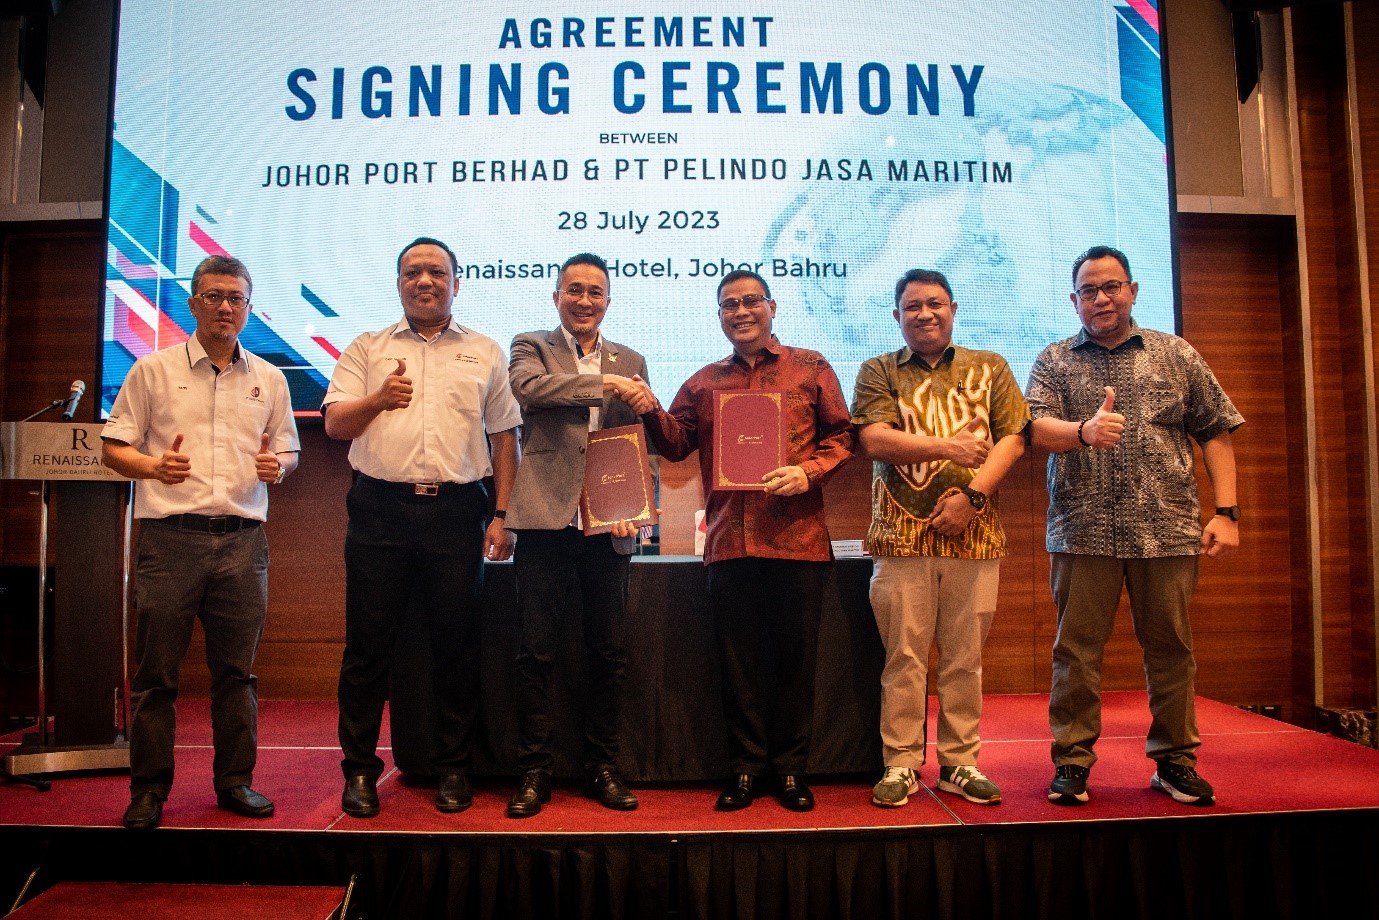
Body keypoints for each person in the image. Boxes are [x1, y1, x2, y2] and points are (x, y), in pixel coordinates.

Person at [1026, 245, 1243, 807]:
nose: (1101, 298)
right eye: (1089, 291)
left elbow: (1215, 431)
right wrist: (1084, 431)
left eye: (1111, 287)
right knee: (1075, 652)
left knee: (1171, 648)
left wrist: (1227, 512)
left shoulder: (1176, 354)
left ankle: (1175, 761)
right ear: (1074, 300)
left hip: (1167, 529)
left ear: (1133, 291)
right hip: (1082, 530)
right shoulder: (1054, 360)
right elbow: (1034, 430)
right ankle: (1072, 762)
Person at [636, 269, 854, 812]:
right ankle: (745, 769)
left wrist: (809, 472)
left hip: (798, 539)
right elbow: (675, 445)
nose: (741, 312)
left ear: (772, 307)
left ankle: (790, 770)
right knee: (737, 666)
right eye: (729, 304)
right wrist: (647, 407)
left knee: (796, 664)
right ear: (719, 316)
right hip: (730, 541)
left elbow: (843, 436)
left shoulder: (811, 367)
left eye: (751, 301)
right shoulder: (704, 382)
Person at [322, 236, 521, 818]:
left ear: (457, 283)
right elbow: (335, 425)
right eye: (413, 273)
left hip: (457, 513)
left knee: (455, 645)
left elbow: (505, 438)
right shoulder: (367, 348)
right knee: (367, 648)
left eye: (436, 272)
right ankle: (360, 770)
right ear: (399, 283)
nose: (425, 281)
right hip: (379, 510)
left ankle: (453, 765)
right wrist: (378, 400)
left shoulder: (484, 351)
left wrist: (502, 515)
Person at [102, 254, 301, 830]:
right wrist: (152, 467)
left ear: (248, 308)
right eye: (213, 296)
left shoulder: (271, 379)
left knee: (236, 674)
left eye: (235, 298)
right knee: (156, 676)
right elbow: (113, 447)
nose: (224, 307)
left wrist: (278, 467)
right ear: (192, 304)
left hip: (243, 543)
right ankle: (148, 791)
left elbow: (288, 448)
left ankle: (235, 782)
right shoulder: (152, 371)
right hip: (170, 540)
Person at [851, 269, 1029, 808]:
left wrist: (971, 499)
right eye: (912, 306)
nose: (924, 314)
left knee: (964, 658)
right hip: (900, 539)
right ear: (896, 315)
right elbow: (875, 439)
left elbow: (1014, 440)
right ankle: (901, 763)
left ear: (953, 308)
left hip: (975, 538)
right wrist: (949, 448)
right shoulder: (878, 370)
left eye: (934, 303)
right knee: (903, 658)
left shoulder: (990, 367)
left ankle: (960, 763)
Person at [504, 252, 656, 818]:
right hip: (545, 520)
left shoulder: (632, 359)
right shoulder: (530, 346)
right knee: (536, 652)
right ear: (557, 297)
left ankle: (603, 766)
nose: (585, 300)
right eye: (574, 290)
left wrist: (638, 506)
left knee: (608, 654)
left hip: (608, 525)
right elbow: (531, 390)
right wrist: (605, 383)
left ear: (608, 301)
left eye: (595, 292)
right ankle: (534, 770)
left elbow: (636, 440)